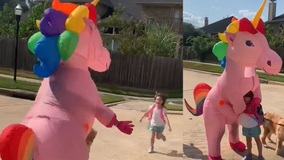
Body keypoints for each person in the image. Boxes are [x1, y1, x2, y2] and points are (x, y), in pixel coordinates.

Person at [241, 91, 264, 160]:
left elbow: (261, 114)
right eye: (245, 96)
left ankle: (260, 156)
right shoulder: (241, 104)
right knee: (248, 140)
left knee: (257, 140)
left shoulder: (256, 105)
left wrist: (261, 121)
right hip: (246, 124)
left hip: (254, 125)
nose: (246, 98)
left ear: (251, 97)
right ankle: (249, 154)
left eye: (248, 96)